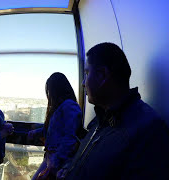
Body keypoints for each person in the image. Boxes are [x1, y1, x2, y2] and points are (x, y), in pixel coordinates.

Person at [57, 42, 169, 180]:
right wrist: (68, 169)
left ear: (102, 75)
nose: (83, 83)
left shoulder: (149, 131)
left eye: (86, 73)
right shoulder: (101, 119)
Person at [27, 72, 82, 180]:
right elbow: (56, 129)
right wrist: (36, 132)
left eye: (50, 91)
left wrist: (55, 162)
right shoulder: (63, 106)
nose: (49, 95)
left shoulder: (68, 106)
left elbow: (69, 137)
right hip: (52, 158)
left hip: (58, 160)